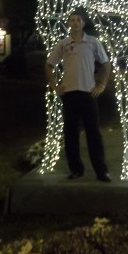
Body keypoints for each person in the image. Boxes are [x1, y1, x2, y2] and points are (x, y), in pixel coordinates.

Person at [45, 10, 112, 182]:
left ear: (83, 23)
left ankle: (101, 171)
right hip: (69, 94)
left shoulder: (93, 42)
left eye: (78, 20)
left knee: (93, 134)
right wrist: (55, 85)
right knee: (70, 133)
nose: (75, 22)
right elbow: (49, 64)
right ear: (68, 24)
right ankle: (76, 169)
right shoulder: (63, 44)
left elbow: (106, 64)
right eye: (72, 20)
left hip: (88, 93)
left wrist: (102, 85)